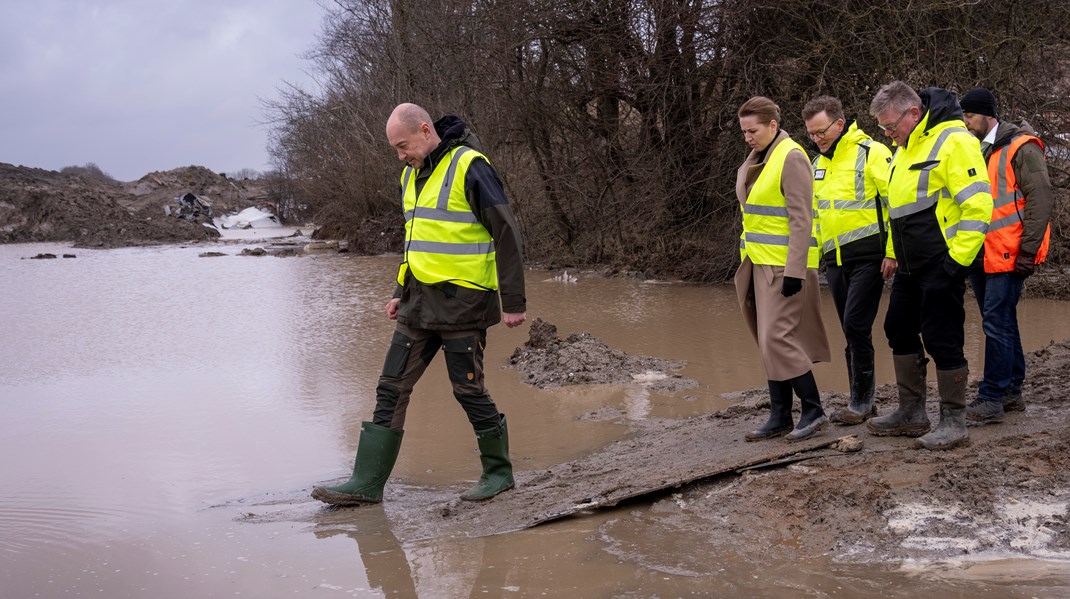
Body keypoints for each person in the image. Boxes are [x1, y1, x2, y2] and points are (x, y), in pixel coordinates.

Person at [311, 103, 527, 505]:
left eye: (403, 145)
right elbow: (415, 241)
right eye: (395, 148)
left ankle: (499, 474)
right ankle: (367, 483)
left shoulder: (470, 165)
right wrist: (398, 291)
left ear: (426, 131)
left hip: (464, 303)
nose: (400, 155)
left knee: (468, 390)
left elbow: (507, 233)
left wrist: (512, 300)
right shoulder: (409, 176)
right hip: (417, 303)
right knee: (390, 387)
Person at [865, 82, 993, 450]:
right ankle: (911, 412)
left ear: (914, 113)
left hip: (942, 264)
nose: (888, 134)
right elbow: (899, 212)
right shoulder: (904, 149)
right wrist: (892, 253)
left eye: (891, 126)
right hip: (909, 265)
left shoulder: (955, 141)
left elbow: (978, 206)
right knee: (897, 328)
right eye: (883, 129)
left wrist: (955, 263)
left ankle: (954, 421)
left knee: (942, 337)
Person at [734, 96, 832, 442]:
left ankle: (813, 409)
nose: (748, 136)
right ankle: (779, 414)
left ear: (773, 125)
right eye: (744, 130)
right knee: (766, 339)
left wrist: (794, 271)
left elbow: (801, 219)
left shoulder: (791, 157)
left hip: (784, 268)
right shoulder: (758, 157)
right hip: (758, 264)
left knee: (778, 337)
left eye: (753, 130)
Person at [959, 87, 1054, 423]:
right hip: (982, 252)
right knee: (1002, 321)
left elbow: (1041, 200)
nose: (966, 122)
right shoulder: (977, 149)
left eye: (970, 116)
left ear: (988, 114)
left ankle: (992, 396)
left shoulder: (1021, 147)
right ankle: (1011, 390)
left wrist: (1028, 251)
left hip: (1009, 253)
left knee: (995, 322)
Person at [802, 96, 896, 425]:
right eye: (811, 134)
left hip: (871, 256)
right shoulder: (817, 166)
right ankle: (862, 401)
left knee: (856, 325)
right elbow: (815, 219)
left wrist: (892, 252)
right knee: (850, 330)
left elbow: (895, 204)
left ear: (840, 124)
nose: (817, 139)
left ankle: (861, 402)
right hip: (836, 262)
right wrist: (812, 264)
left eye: (821, 131)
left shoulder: (872, 152)